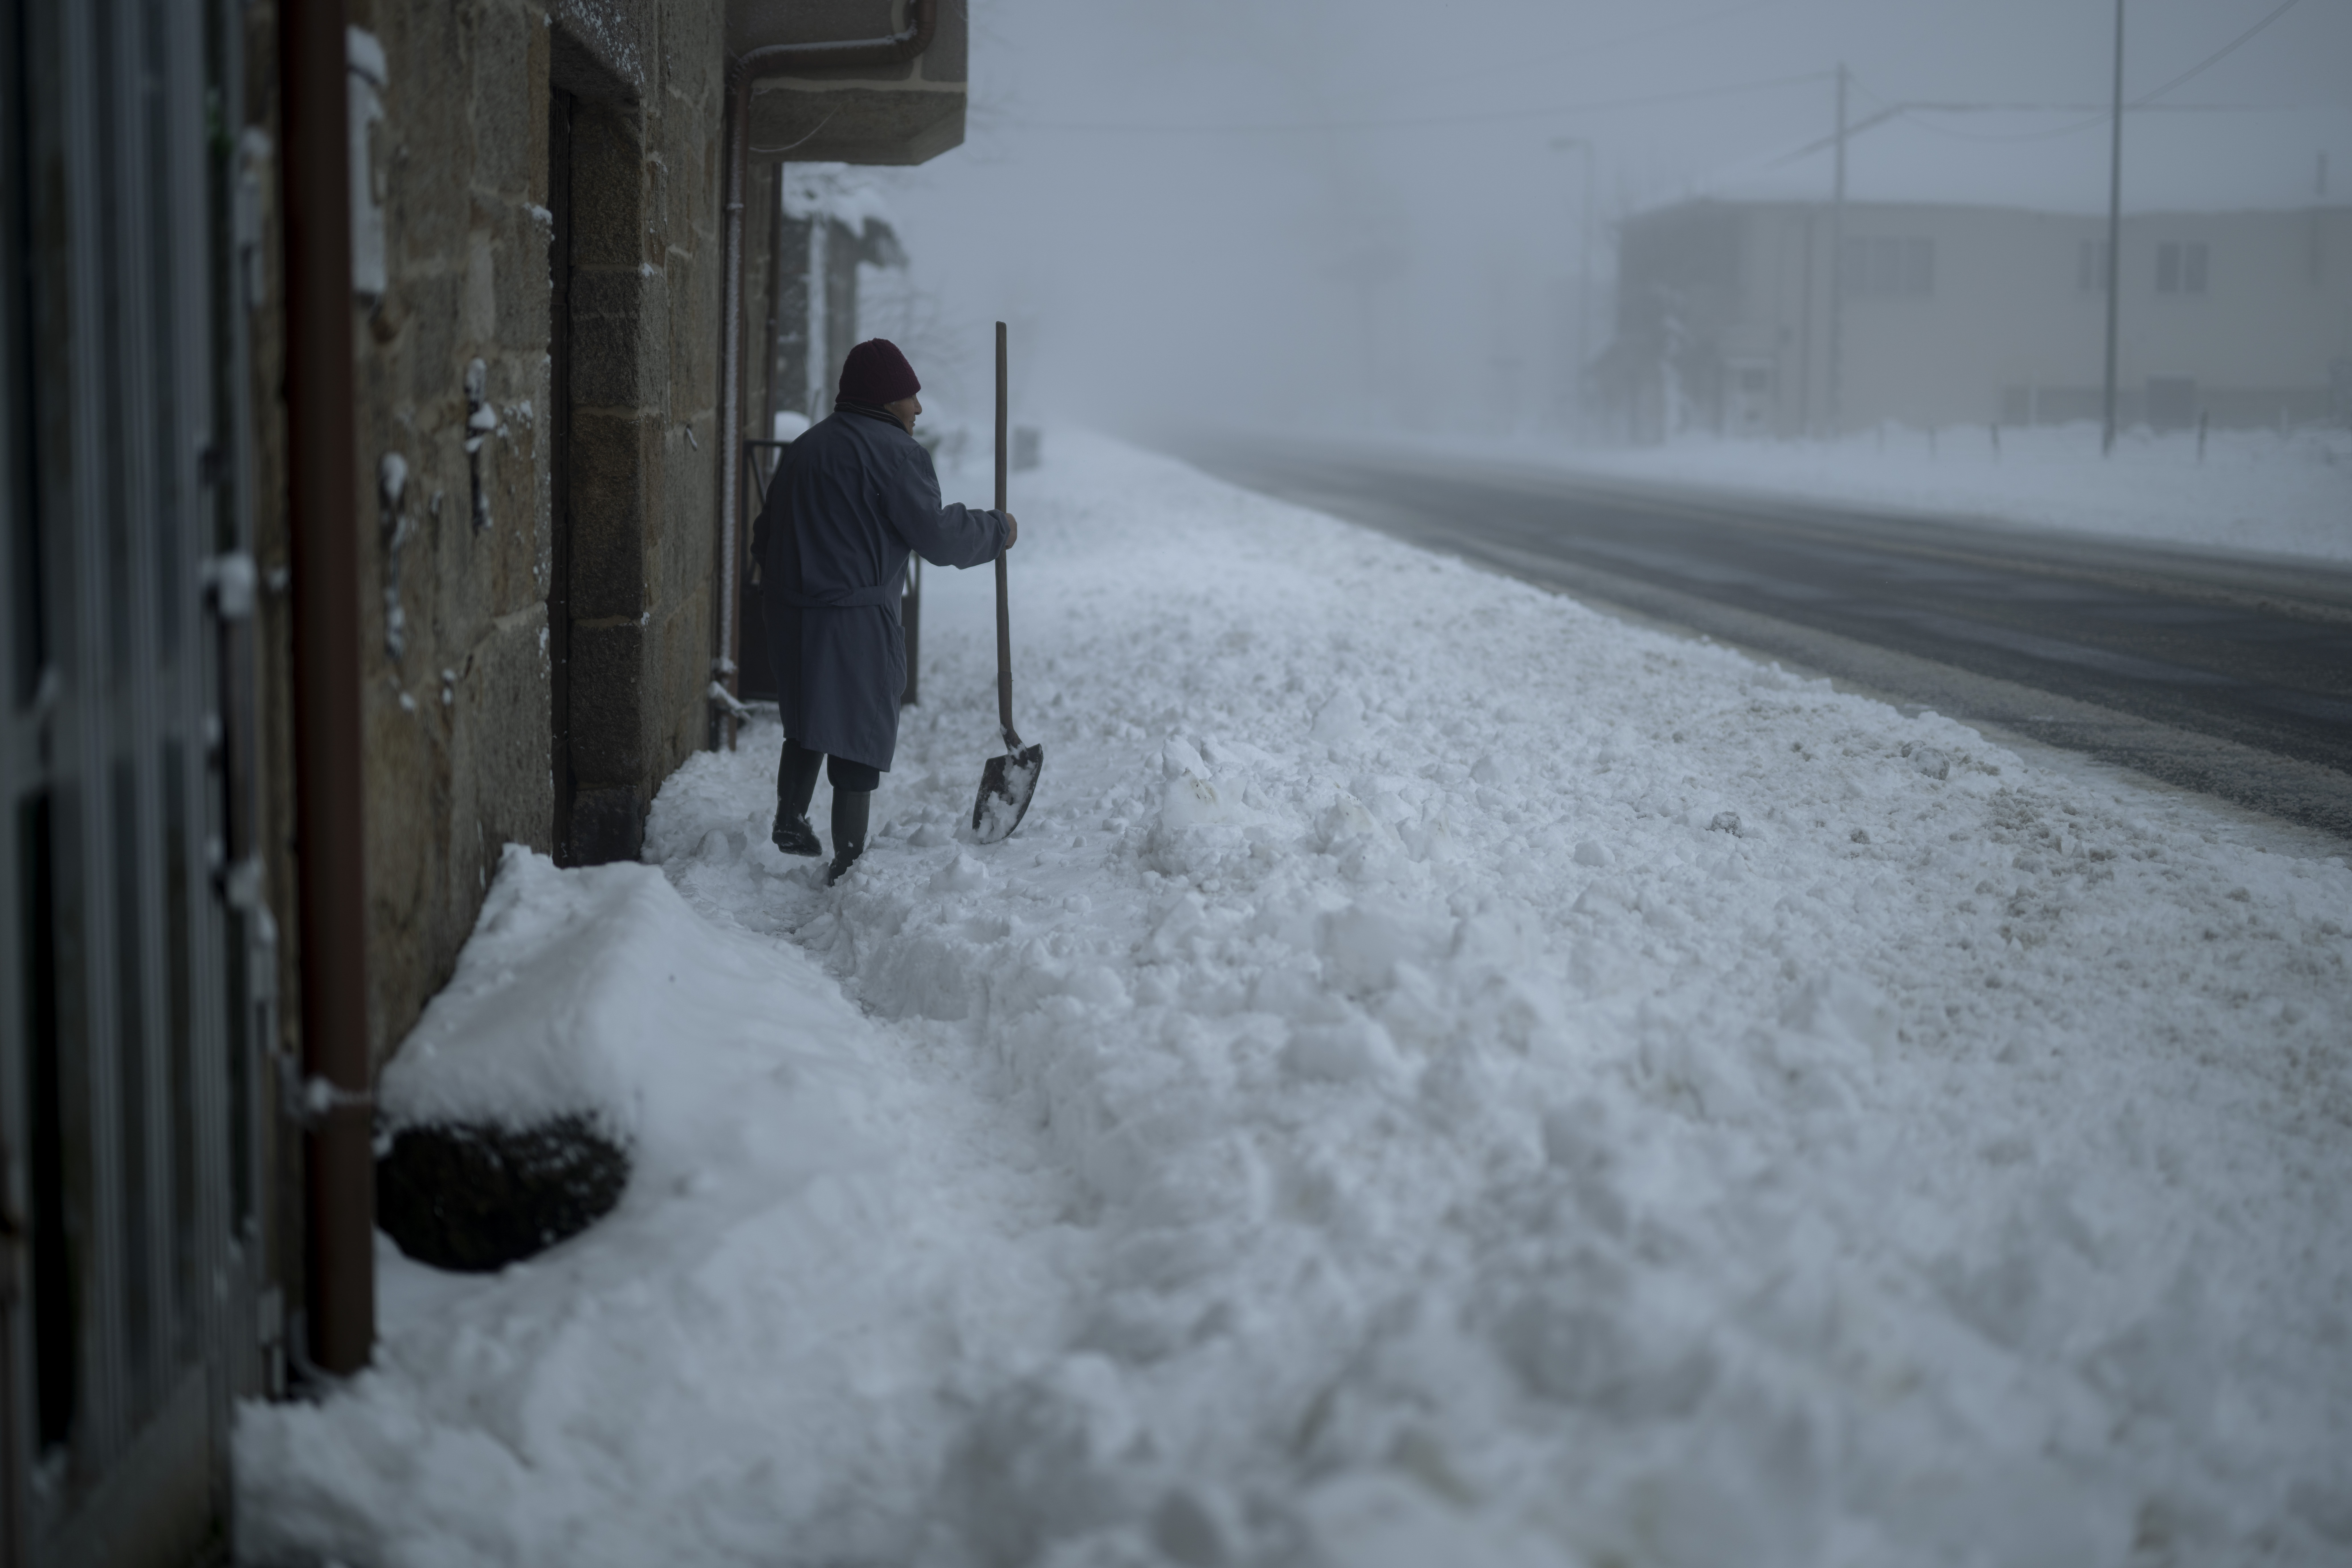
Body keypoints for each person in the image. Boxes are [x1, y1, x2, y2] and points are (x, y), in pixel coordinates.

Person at [755, 338, 1016, 884]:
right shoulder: (897, 455)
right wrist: (997, 530)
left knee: (808, 716)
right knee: (857, 728)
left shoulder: (804, 448)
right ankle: (849, 862)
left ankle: (791, 818)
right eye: (909, 395)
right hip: (854, 618)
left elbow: (764, 535)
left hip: (790, 611)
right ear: (884, 398)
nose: (918, 408)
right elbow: (939, 539)